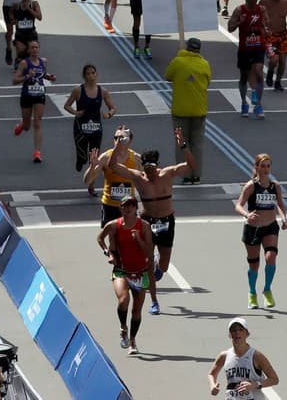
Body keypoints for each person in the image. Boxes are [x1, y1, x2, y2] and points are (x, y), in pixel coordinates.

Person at [107, 129, 194, 316]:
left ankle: (155, 266)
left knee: (162, 267)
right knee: (146, 266)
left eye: (152, 169)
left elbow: (191, 165)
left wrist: (183, 146)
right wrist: (117, 146)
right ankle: (154, 301)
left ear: (158, 166)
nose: (149, 172)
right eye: (146, 169)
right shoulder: (139, 178)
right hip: (147, 222)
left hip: (167, 222)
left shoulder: (168, 174)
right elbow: (113, 165)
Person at [96, 196, 152, 356]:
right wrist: (108, 252)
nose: (128, 209)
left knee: (136, 311)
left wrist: (139, 239)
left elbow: (148, 251)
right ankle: (123, 327)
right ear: (121, 208)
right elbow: (99, 238)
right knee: (123, 300)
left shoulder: (144, 226)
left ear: (136, 208)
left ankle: (132, 340)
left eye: (131, 206)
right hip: (121, 270)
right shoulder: (114, 225)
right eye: (124, 206)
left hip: (140, 272)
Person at [233, 153, 287, 309]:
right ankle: (252, 292)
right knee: (254, 264)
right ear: (256, 167)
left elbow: (280, 205)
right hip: (253, 228)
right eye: (262, 166)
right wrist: (246, 214)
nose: (266, 169)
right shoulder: (251, 186)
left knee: (271, 257)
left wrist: (284, 218)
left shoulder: (275, 186)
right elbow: (238, 205)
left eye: (268, 166)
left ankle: (267, 289)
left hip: (270, 226)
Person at [164, 37, 211, 184]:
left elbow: (168, 76)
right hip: (199, 109)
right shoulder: (204, 64)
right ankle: (196, 174)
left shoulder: (178, 62)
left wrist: (179, 56)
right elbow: (208, 81)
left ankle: (185, 173)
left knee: (182, 143)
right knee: (197, 143)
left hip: (180, 110)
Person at [63, 64, 117, 175]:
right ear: (84, 76)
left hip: (96, 129)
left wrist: (108, 115)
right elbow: (67, 105)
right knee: (83, 156)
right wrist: (75, 113)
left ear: (96, 74)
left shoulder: (102, 91)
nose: (91, 75)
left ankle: (91, 181)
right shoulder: (78, 91)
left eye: (93, 73)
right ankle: (80, 160)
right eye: (88, 73)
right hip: (81, 128)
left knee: (94, 158)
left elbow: (113, 108)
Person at [207, 317, 280, 399]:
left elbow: (274, 379)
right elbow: (212, 374)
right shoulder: (224, 356)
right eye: (234, 330)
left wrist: (255, 385)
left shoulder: (256, 356)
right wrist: (212, 385)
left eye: (241, 329)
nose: (237, 333)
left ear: (247, 334)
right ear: (229, 335)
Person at [228, 0, 270, 118]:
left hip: (258, 46)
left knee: (258, 72)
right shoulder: (240, 10)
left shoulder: (261, 9)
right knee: (244, 76)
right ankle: (243, 103)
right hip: (245, 48)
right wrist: (239, 22)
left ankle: (258, 104)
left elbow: (267, 25)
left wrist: (265, 28)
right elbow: (230, 28)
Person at [12, 40, 55, 163]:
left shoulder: (44, 62)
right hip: (27, 94)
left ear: (39, 49)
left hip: (39, 94)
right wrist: (27, 76)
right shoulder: (24, 64)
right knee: (27, 127)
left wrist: (50, 77)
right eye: (32, 47)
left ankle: (37, 153)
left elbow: (43, 74)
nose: (35, 49)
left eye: (36, 47)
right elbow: (14, 80)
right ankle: (23, 124)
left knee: (37, 122)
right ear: (28, 50)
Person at [262, 0, 287, 91]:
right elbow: (259, 16)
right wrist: (264, 28)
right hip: (270, 36)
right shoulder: (264, 2)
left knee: (283, 61)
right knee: (274, 59)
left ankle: (278, 81)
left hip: (283, 34)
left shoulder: (286, 2)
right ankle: (270, 72)